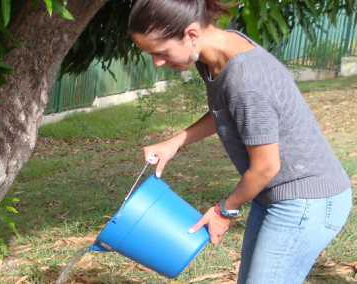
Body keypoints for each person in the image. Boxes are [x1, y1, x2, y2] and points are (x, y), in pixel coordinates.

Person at [128, 1, 352, 283]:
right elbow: (228, 109)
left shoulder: (247, 79)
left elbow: (265, 167)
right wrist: (175, 142)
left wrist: (224, 210)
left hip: (307, 200)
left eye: (160, 52)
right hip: (273, 193)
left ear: (191, 35)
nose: (157, 62)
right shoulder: (216, 52)